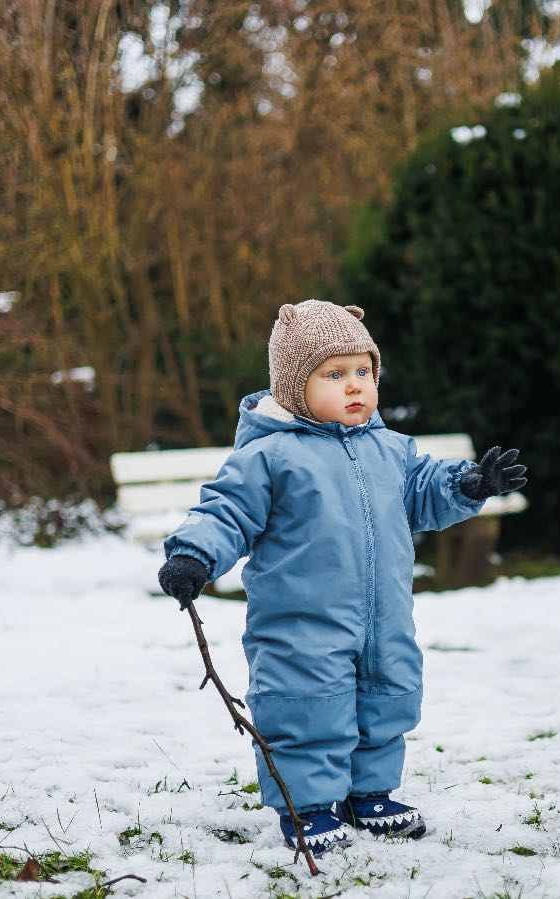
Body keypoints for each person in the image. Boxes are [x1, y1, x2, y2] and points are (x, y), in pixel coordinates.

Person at [157, 299, 527, 854]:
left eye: (363, 372)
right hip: (301, 622)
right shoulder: (269, 455)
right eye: (334, 374)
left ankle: (370, 794)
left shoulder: (391, 450)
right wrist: (193, 555)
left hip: (383, 617)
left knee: (386, 698)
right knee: (306, 705)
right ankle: (306, 807)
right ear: (293, 385)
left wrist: (471, 484)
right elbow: (225, 511)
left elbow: (425, 492)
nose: (354, 385)